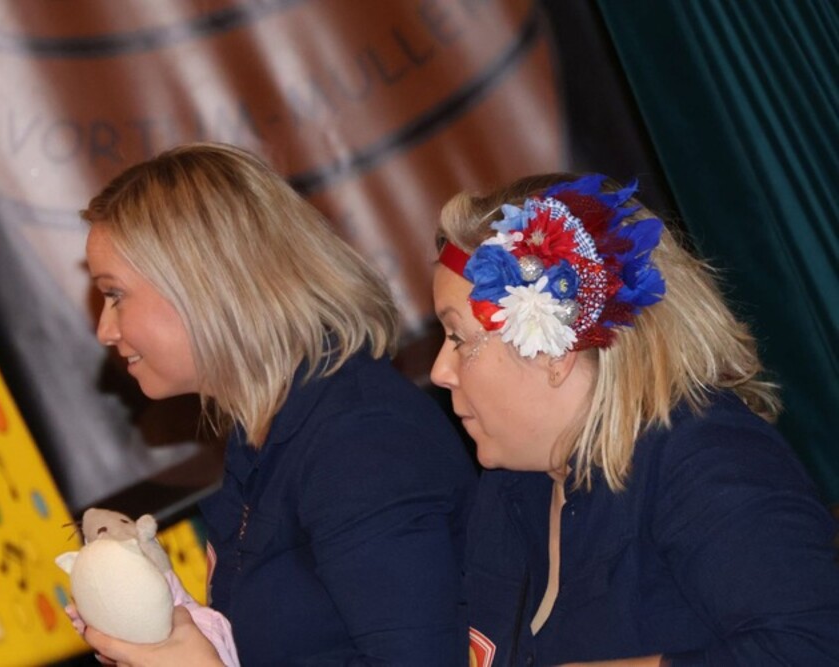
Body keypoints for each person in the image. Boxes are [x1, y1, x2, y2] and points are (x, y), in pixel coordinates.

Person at [78, 142, 477, 666]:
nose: (105, 330)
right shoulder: (263, 432)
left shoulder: (361, 440)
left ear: (204, 285)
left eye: (115, 295)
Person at [430, 172, 839, 666]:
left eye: (458, 338)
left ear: (552, 352)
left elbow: (814, 647)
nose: (439, 372)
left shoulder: (705, 459)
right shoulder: (514, 484)